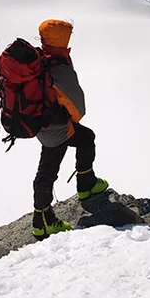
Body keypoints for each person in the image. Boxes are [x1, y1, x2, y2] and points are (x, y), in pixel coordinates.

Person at [32, 19, 108, 240]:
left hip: (41, 123)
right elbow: (78, 107)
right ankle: (43, 220)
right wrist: (70, 121)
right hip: (56, 128)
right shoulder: (58, 66)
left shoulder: (39, 60)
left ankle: (85, 184)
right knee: (48, 169)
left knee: (83, 139)